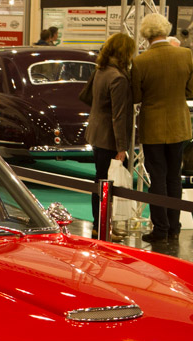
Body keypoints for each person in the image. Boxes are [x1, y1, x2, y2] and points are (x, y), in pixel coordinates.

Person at [131, 13, 193, 243]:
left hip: (153, 128)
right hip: (179, 125)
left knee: (157, 178)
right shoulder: (185, 54)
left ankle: (160, 228)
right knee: (174, 178)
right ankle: (175, 228)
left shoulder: (140, 61)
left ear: (145, 35)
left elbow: (136, 96)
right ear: (166, 29)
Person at [86, 33, 135, 237]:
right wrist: (122, 147)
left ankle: (100, 226)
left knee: (100, 181)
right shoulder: (118, 77)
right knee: (106, 184)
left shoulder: (101, 71)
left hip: (97, 134)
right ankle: (103, 228)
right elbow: (119, 115)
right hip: (109, 139)